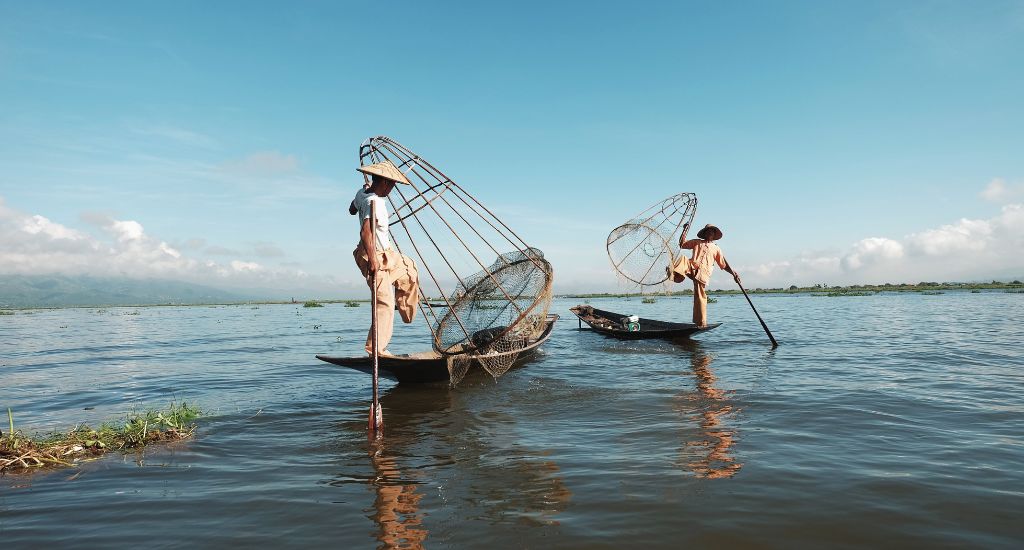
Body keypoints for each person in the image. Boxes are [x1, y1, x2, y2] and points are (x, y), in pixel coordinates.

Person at [351, 160, 420, 356]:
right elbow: (366, 232)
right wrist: (373, 261)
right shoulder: (376, 202)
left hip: (385, 253)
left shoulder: (362, 194)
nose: (391, 190)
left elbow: (351, 209)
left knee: (409, 268)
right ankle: (376, 349)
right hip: (372, 253)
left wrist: (361, 199)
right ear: (385, 183)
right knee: (384, 303)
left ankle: (406, 310)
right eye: (391, 185)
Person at [669, 224, 740, 327]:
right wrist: (684, 230)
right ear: (705, 233)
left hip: (703, 274)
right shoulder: (697, 242)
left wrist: (733, 273)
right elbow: (682, 244)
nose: (710, 232)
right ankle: (677, 276)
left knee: (700, 297)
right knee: (683, 259)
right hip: (691, 268)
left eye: (712, 231)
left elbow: (723, 265)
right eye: (708, 231)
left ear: (714, 234)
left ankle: (701, 322)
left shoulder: (716, 249)